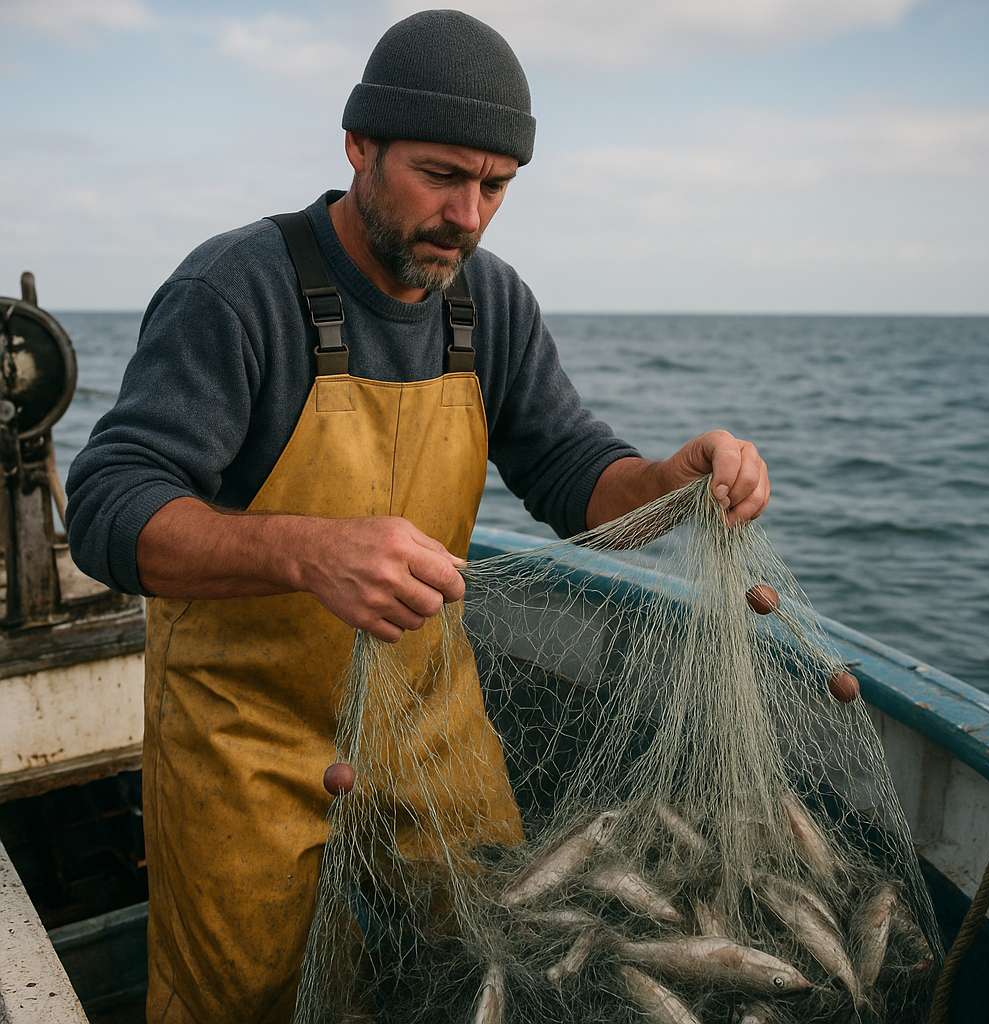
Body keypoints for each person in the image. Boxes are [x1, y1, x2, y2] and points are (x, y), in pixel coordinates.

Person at [66, 10, 768, 1023]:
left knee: (485, 953)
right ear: (358, 146)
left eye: (496, 186)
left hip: (427, 717)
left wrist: (673, 479)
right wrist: (308, 550)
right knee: (241, 997)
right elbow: (107, 506)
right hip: (245, 737)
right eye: (441, 174)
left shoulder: (490, 305)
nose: (469, 214)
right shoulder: (237, 290)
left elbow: (575, 476)